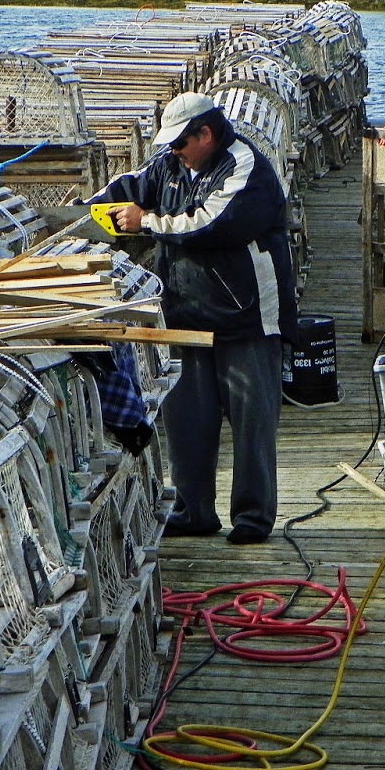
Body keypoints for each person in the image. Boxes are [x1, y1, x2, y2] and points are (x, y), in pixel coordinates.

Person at [90, 92, 296, 545]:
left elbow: (210, 223)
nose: (174, 151)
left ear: (206, 133)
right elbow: (128, 187)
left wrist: (146, 222)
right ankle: (193, 510)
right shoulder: (169, 164)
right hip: (183, 312)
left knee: (252, 423)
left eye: (181, 143)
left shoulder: (247, 167)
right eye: (171, 145)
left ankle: (252, 517)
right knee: (187, 419)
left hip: (247, 318)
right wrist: (92, 211)